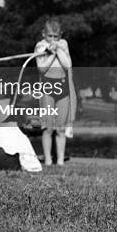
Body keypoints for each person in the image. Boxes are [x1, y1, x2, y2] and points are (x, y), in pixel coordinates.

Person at [34, 18, 76, 167]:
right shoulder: (40, 46)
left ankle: (60, 161)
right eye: (49, 36)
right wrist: (50, 53)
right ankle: (48, 160)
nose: (52, 39)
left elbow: (67, 64)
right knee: (48, 128)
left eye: (55, 36)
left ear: (60, 35)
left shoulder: (63, 44)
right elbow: (42, 68)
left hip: (62, 89)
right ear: (44, 34)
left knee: (60, 128)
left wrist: (57, 49)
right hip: (47, 89)